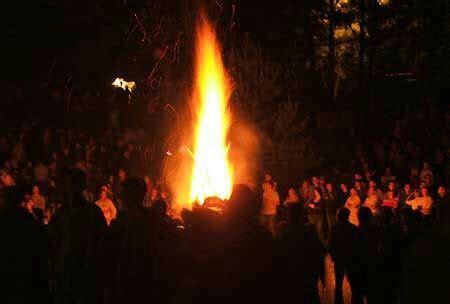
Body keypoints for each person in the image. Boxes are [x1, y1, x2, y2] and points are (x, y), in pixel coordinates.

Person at [48, 169, 107, 304]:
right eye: (69, 184)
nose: (69, 188)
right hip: (66, 274)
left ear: (81, 186)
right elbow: (52, 242)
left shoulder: (92, 213)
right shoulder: (62, 214)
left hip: (85, 275)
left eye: (73, 184)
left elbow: (102, 243)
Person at [329, 208, 363, 304]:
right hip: (351, 258)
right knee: (354, 283)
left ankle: (338, 301)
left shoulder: (335, 228)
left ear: (338, 216)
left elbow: (331, 244)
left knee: (339, 283)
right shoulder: (353, 228)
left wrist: (333, 255)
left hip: (340, 258)